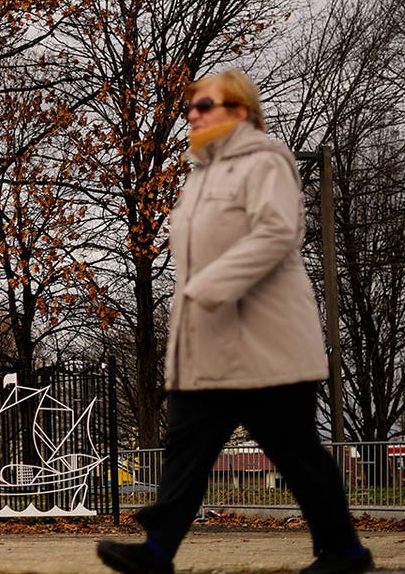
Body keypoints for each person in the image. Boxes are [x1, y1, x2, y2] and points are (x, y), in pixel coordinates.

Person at [96, 69, 372, 574]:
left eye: (206, 105)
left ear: (240, 111)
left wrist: (207, 290)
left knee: (296, 455)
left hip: (268, 347)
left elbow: (276, 233)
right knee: (185, 451)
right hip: (209, 347)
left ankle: (345, 551)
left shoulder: (265, 161)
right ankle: (157, 552)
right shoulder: (201, 176)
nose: (193, 115)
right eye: (190, 109)